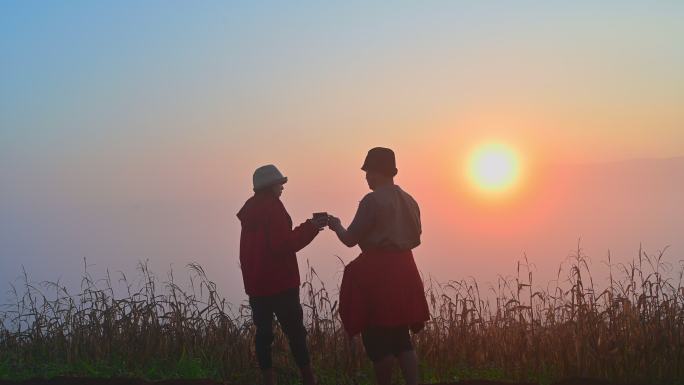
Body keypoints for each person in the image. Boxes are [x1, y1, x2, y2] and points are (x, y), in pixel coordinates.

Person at [327, 147, 429, 385]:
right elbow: (418, 234)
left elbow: (350, 239)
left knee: (376, 334)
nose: (365, 177)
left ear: (376, 172)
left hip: (377, 274)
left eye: (367, 172)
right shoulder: (409, 200)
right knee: (401, 335)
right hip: (405, 269)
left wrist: (336, 225)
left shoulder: (372, 201)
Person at [237, 164, 328, 385]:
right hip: (281, 282)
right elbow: (283, 244)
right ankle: (309, 378)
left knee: (264, 334)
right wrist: (312, 227)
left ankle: (268, 380)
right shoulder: (273, 207)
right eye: (280, 184)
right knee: (295, 332)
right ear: (270, 186)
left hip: (257, 284)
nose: (283, 187)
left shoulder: (250, 208)